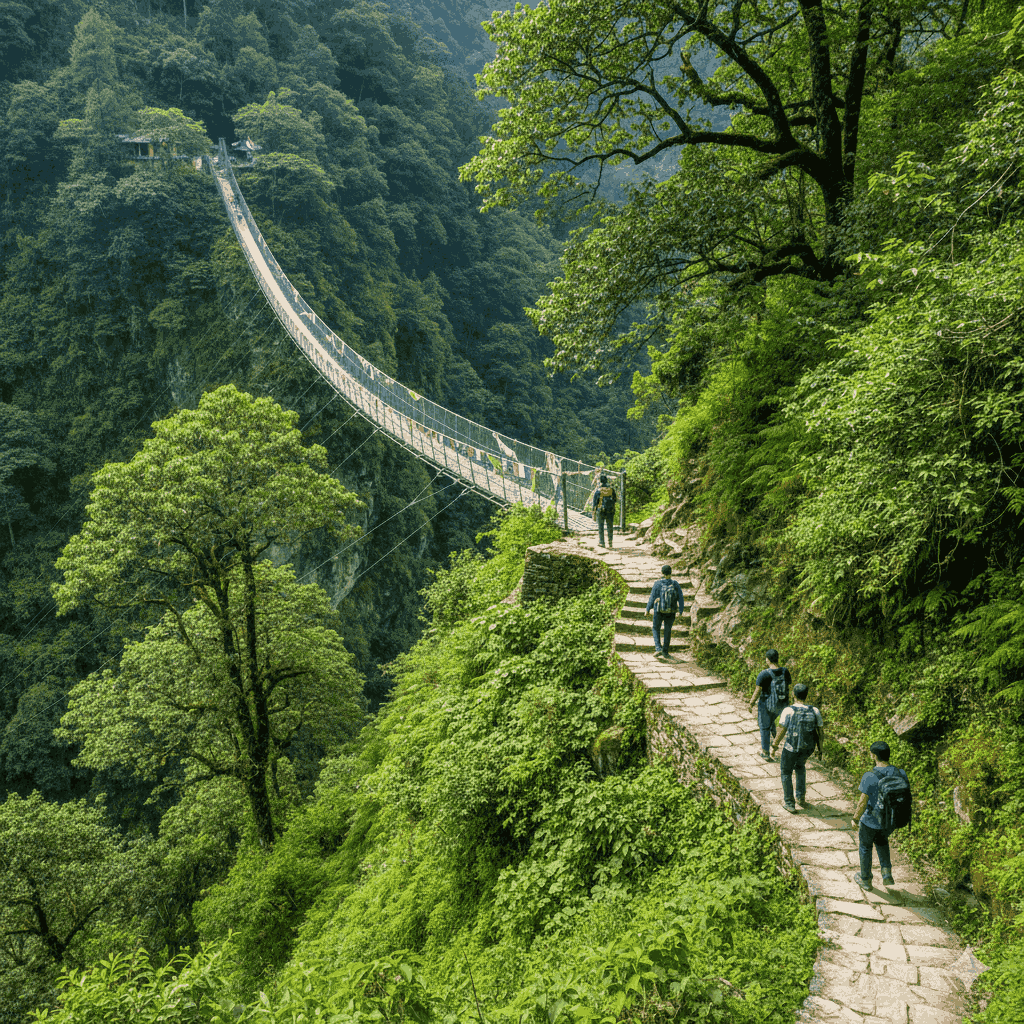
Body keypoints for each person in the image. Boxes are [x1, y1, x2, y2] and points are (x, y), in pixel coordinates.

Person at [852, 741, 908, 890]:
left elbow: (862, 802)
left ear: (874, 756)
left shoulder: (869, 776)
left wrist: (855, 819)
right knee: (882, 841)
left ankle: (865, 879)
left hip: (870, 821)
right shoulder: (900, 773)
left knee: (865, 846)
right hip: (890, 820)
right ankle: (886, 873)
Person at [770, 682, 823, 813]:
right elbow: (821, 732)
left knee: (786, 772)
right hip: (808, 748)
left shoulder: (788, 710)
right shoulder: (814, 710)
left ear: (793, 694)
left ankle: (789, 803)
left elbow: (782, 730)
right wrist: (820, 749)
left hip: (791, 747)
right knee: (800, 767)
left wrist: (774, 745)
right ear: (806, 695)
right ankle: (801, 797)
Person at [748, 649, 791, 760]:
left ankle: (765, 752)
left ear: (767, 659)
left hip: (766, 705)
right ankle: (775, 743)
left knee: (764, 727)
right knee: (771, 722)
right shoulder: (785, 671)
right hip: (782, 705)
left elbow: (757, 691)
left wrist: (751, 703)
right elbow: (787, 687)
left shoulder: (764, 674)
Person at [646, 565, 684, 659]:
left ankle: (658, 648)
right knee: (668, 630)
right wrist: (681, 610)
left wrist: (647, 609)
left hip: (659, 610)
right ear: (671, 572)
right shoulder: (675, 584)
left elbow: (652, 597)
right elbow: (681, 598)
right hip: (671, 611)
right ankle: (665, 652)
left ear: (662, 573)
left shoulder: (657, 584)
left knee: (655, 628)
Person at [591, 474, 617, 548]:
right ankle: (610, 543)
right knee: (610, 526)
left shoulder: (598, 490)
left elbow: (595, 502)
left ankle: (602, 542)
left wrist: (594, 512)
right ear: (607, 481)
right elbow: (615, 500)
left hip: (601, 510)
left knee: (601, 526)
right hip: (610, 510)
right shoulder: (611, 490)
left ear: (600, 481)